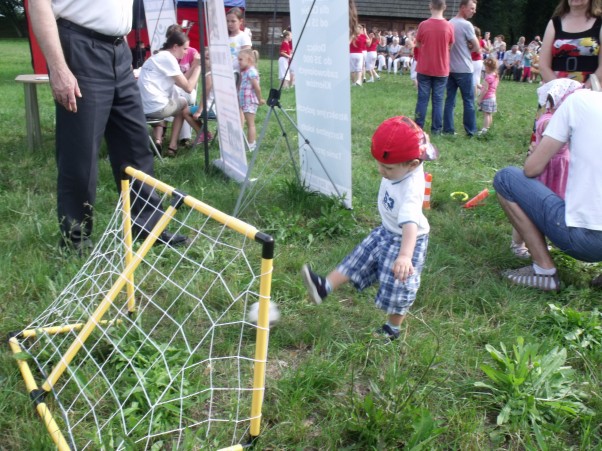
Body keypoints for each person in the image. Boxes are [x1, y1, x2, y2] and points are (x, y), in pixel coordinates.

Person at [28, 0, 187, 252]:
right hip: (79, 46)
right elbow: (39, 4)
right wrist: (58, 68)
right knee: (80, 150)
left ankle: (147, 227)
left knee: (135, 144)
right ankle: (75, 239)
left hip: (118, 49)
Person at [301, 116, 432, 341]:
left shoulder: (411, 190)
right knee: (358, 258)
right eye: (379, 164)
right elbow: (421, 142)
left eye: (387, 167)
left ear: (413, 164)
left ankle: (392, 328)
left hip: (406, 240)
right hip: (386, 230)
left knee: (397, 286)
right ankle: (324, 286)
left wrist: (404, 256)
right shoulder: (411, 160)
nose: (381, 170)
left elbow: (410, 225)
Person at [493, 87, 602, 291]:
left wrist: (536, 151)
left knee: (506, 178)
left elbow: (532, 169)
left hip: (586, 239)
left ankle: (544, 271)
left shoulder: (579, 100)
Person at [509, 78, 582, 259]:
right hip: (547, 170)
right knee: (531, 209)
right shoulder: (549, 119)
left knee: (552, 209)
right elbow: (554, 130)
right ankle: (518, 244)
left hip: (561, 172)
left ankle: (541, 243)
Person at [138, 31, 204, 158]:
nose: (186, 52)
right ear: (175, 47)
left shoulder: (159, 56)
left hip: (143, 108)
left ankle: (162, 142)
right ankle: (173, 146)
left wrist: (194, 65)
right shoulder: (168, 59)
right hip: (155, 108)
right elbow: (189, 88)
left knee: (178, 100)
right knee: (184, 103)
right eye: (184, 48)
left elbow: (181, 82)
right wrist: (198, 67)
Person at [414, 0, 455, 134]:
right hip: (441, 69)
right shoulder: (449, 26)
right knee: (438, 100)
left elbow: (418, 43)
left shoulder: (423, 25)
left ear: (430, 6)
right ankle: (436, 129)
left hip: (424, 67)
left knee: (422, 99)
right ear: (445, 7)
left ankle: (418, 128)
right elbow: (450, 46)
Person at [539, 0, 602, 87]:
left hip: (590, 93)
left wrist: (584, 89)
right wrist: (560, 90)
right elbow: (543, 65)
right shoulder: (554, 23)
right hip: (556, 92)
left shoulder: (600, 23)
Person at [443, 0, 480, 137]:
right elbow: (477, 47)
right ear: (463, 8)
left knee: (449, 100)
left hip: (450, 68)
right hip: (464, 69)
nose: (473, 11)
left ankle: (448, 130)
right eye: (472, 8)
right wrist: (467, 49)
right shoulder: (467, 25)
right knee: (469, 101)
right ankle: (471, 131)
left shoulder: (449, 23)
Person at [238, 49, 265, 152]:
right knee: (248, 123)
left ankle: (251, 144)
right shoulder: (245, 72)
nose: (238, 62)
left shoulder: (252, 72)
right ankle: (248, 143)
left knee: (250, 124)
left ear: (249, 60)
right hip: (244, 101)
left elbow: (257, 87)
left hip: (250, 101)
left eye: (240, 59)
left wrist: (260, 99)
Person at [227, 7, 252, 80]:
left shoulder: (244, 37)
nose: (229, 24)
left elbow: (247, 59)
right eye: (227, 21)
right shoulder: (225, 37)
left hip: (238, 74)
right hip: (226, 73)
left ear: (240, 21)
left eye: (233, 21)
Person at [476, 57, 499, 135]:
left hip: (487, 98)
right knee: (489, 114)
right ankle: (488, 128)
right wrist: (481, 86)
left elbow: (485, 90)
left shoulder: (488, 77)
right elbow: (490, 87)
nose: (484, 68)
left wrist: (479, 99)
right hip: (492, 97)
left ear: (488, 67)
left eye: (485, 67)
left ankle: (484, 129)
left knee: (486, 114)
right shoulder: (495, 76)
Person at [471, 27, 484, 96]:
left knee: (473, 77)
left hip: (474, 60)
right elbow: (487, 49)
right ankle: (479, 91)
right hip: (479, 61)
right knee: (477, 76)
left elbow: (478, 50)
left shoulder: (473, 40)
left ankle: (475, 92)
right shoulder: (481, 40)